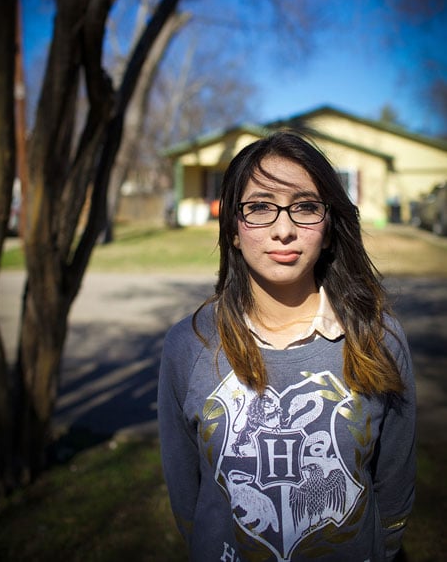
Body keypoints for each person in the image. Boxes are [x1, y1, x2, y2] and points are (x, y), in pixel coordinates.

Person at [158, 130, 416, 562]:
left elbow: (394, 488)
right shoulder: (188, 344)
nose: (283, 230)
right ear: (234, 231)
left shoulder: (380, 338)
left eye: (305, 207)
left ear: (330, 228)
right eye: (259, 207)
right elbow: (188, 500)